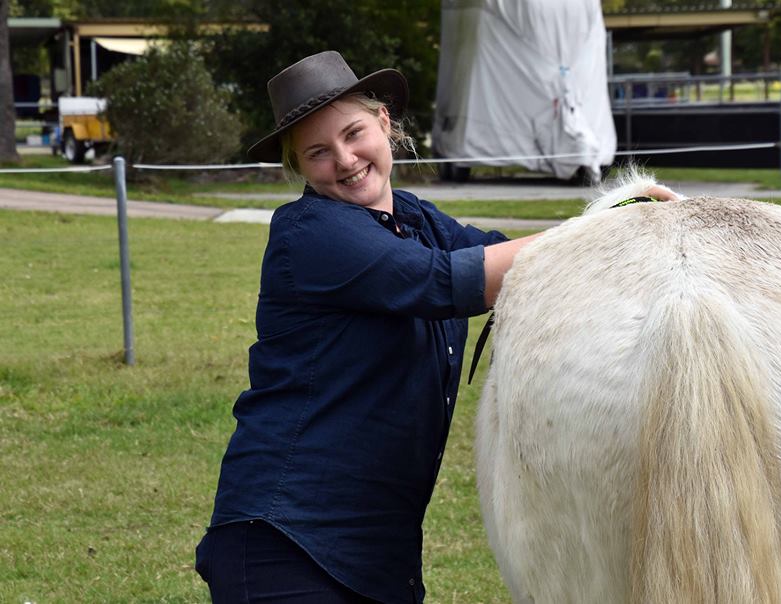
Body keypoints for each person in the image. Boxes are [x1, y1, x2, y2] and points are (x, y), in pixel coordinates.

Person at [195, 50, 676, 603]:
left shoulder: (415, 219)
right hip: (289, 542)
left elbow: (505, 260)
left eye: (354, 133)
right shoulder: (308, 233)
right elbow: (447, 281)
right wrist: (607, 229)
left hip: (375, 551)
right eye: (318, 152)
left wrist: (605, 243)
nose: (346, 159)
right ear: (299, 166)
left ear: (383, 123)